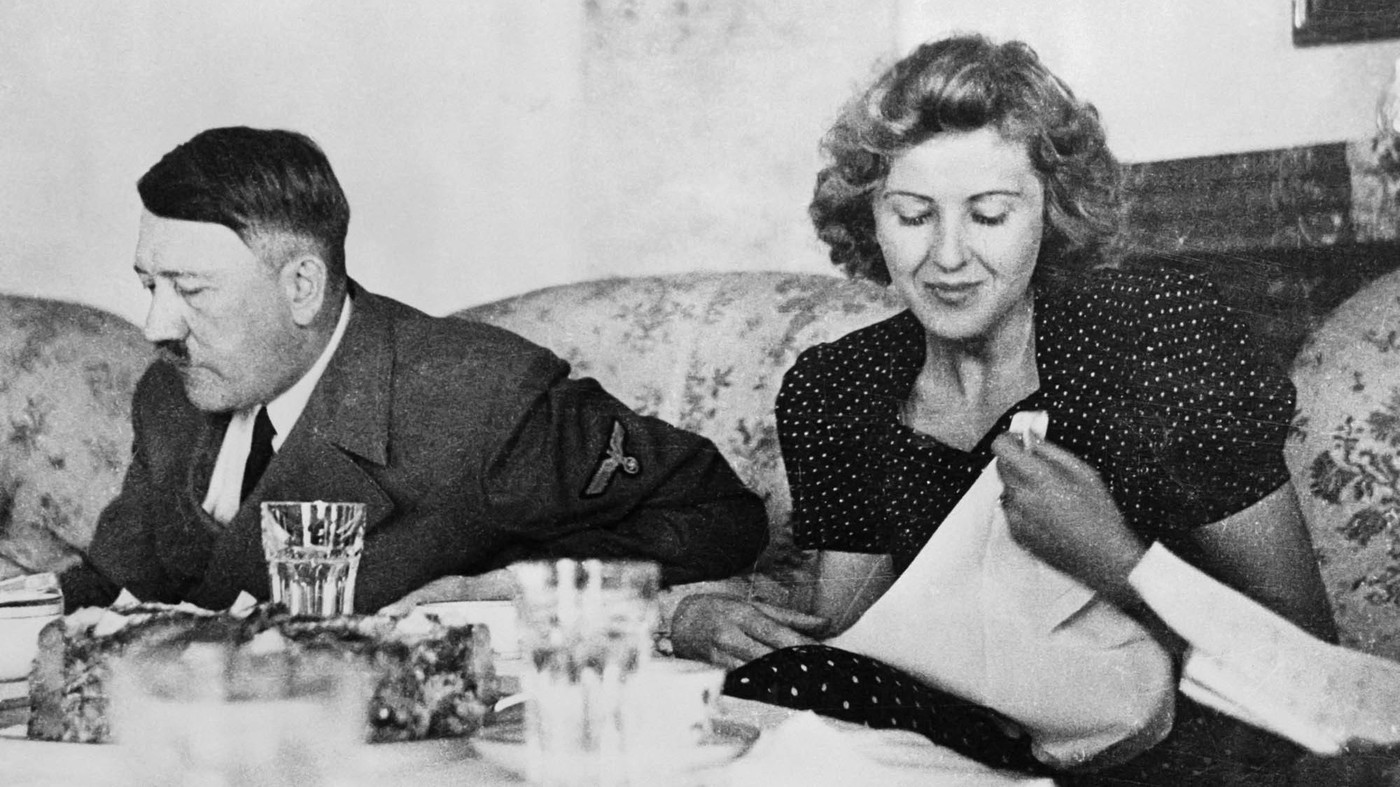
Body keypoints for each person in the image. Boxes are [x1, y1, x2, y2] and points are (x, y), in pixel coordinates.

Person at [671, 35, 1337, 782]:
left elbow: (1311, 657)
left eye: (989, 214)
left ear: (1052, 214)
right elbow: (843, 639)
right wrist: (691, 618)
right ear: (871, 219)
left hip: (1170, 757)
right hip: (963, 753)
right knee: (758, 707)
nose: (948, 256)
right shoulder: (841, 385)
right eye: (914, 215)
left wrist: (1121, 562)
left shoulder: (1153, 338)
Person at [58, 126, 768, 615]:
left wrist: (504, 589)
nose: (156, 326)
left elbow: (717, 517)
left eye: (191, 289)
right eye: (148, 285)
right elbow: (118, 585)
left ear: (302, 286)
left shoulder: (481, 401)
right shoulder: (171, 392)